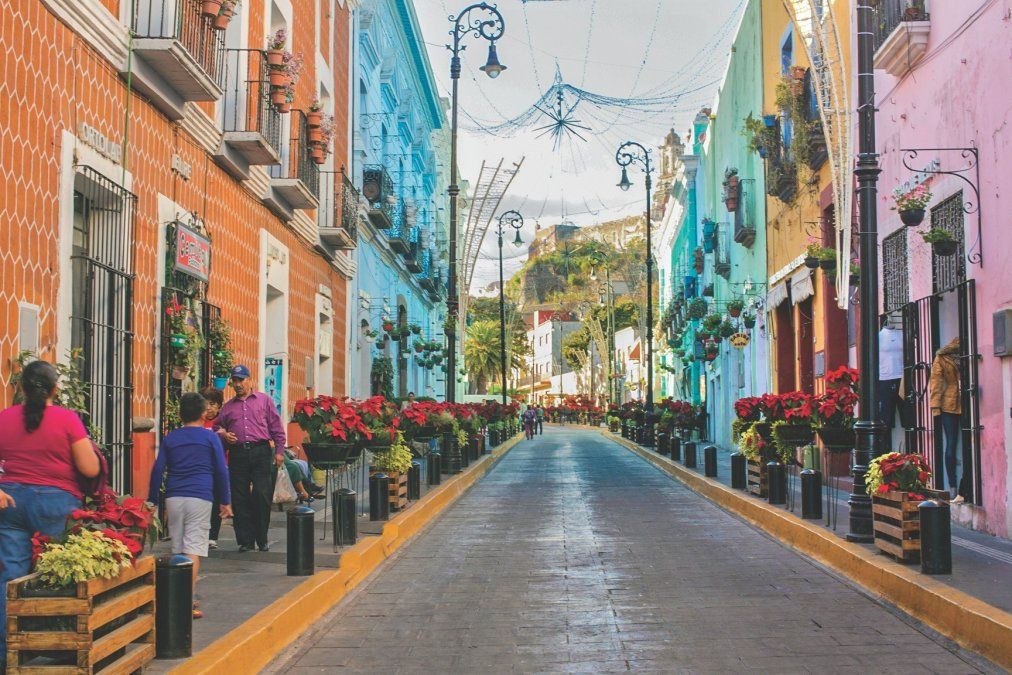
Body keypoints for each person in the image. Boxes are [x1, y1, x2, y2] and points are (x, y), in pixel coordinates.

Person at [0, 360, 101, 657]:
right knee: (58, 575)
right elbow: (89, 468)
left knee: (9, 577)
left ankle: (8, 653)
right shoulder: (67, 420)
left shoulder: (4, 418)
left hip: (12, 503)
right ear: (55, 390)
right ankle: (58, 649)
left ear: (20, 387)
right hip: (56, 504)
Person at [149, 392, 232, 619]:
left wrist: (152, 501)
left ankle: (174, 598)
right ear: (205, 414)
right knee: (193, 548)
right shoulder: (210, 438)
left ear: (180, 414)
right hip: (201, 496)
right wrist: (225, 501)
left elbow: (158, 470)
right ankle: (186, 600)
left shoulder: (171, 438)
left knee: (178, 548)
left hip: (174, 497)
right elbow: (221, 471)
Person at [214, 365, 286, 552]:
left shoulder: (264, 400)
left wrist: (279, 451)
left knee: (262, 495)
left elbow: (276, 426)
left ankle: (262, 538)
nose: (238, 384)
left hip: (261, 451)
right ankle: (245, 541)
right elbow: (216, 427)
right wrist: (224, 434)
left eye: (241, 380)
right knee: (240, 497)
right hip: (238, 454)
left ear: (249, 380)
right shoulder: (228, 407)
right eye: (235, 381)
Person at [930, 338, 964, 502]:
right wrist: (935, 407)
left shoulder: (966, 353)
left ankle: (963, 488)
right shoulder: (942, 357)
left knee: (968, 445)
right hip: (948, 404)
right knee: (951, 445)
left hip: (967, 402)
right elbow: (936, 382)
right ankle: (952, 486)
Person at [200, 387, 225, 549]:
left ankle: (212, 536)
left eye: (212, 404)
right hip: (201, 468)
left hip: (219, 467)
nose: (208, 408)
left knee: (216, 502)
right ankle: (201, 534)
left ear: (219, 406)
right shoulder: (197, 422)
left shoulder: (223, 422)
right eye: (205, 404)